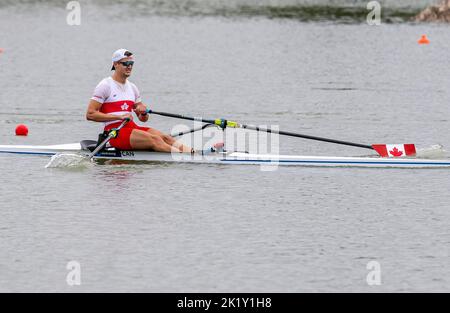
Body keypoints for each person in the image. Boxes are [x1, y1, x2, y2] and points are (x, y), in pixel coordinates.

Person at [86, 49, 194, 153]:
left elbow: (143, 119)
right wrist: (119, 117)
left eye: (131, 63)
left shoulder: (132, 87)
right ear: (115, 64)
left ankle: (194, 153)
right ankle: (183, 157)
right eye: (125, 63)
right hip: (114, 133)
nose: (129, 66)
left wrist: (143, 113)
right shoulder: (105, 85)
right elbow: (90, 114)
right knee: (155, 140)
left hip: (131, 128)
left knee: (165, 137)